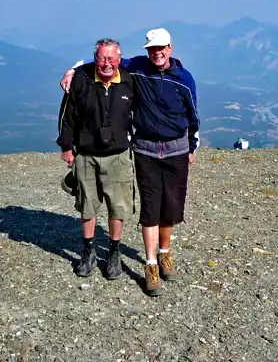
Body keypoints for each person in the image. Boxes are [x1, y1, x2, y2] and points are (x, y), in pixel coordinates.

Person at [60, 28, 199, 296]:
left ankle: (158, 253)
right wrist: (73, 69)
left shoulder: (176, 78)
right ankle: (145, 264)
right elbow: (101, 65)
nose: (157, 53)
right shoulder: (135, 68)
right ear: (146, 50)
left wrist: (192, 146)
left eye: (161, 48)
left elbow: (193, 114)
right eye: (152, 49)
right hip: (141, 150)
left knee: (165, 206)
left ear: (170, 47)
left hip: (168, 150)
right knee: (142, 206)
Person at [56, 38, 136, 280]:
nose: (106, 63)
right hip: (87, 155)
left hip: (119, 156)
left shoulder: (129, 80)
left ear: (119, 59)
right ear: (95, 58)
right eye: (101, 58)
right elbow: (67, 115)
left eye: (111, 58)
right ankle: (88, 251)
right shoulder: (81, 80)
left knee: (117, 207)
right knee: (87, 207)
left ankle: (114, 252)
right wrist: (66, 147)